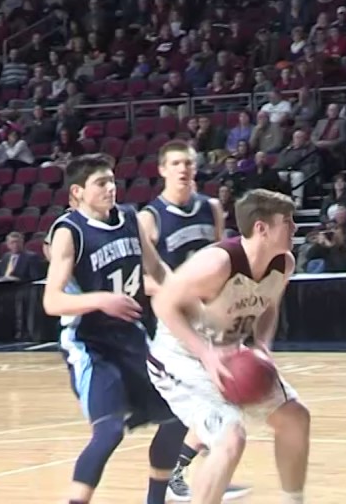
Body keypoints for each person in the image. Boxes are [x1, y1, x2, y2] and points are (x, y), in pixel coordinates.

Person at [149, 189, 311, 504]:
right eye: (287, 221)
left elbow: (269, 306)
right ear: (262, 228)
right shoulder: (217, 263)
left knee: (295, 417)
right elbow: (163, 303)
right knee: (230, 437)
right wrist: (205, 353)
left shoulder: (284, 263)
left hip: (229, 350)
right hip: (181, 356)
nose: (294, 227)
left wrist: (261, 344)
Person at [42, 154, 186, 504]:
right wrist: (100, 300)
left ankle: (156, 500)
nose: (111, 188)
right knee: (108, 431)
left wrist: (185, 297)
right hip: (90, 344)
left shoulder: (130, 218)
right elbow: (52, 301)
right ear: (77, 192)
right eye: (101, 183)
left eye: (112, 181)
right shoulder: (69, 232)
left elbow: (157, 269)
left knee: (180, 414)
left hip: (132, 337)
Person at [138, 140, 249, 502]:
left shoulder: (211, 208)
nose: (183, 169)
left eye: (188, 163)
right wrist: (180, 289)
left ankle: (201, 474)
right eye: (175, 163)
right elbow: (142, 280)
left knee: (221, 405)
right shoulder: (150, 218)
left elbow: (222, 259)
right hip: (175, 327)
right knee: (178, 417)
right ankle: (164, 487)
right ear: (162, 170)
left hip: (212, 323)